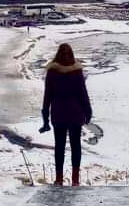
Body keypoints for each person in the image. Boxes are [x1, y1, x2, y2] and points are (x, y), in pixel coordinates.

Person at [39, 43, 92, 186]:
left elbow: (47, 96)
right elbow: (83, 94)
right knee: (76, 146)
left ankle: (59, 179)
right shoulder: (77, 71)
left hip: (59, 114)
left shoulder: (52, 72)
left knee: (59, 147)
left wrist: (45, 118)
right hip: (75, 114)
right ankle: (75, 180)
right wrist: (88, 111)